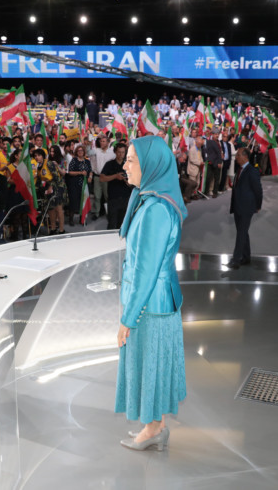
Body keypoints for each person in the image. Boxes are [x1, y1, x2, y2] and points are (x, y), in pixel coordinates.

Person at [115, 136, 187, 452]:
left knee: (151, 364)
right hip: (154, 303)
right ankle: (154, 425)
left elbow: (146, 270)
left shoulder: (156, 209)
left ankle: (153, 429)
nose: (124, 165)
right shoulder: (148, 200)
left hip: (150, 305)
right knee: (152, 365)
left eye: (131, 159)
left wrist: (127, 319)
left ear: (151, 165)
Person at [227, 147, 263, 269]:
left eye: (238, 155)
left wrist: (258, 205)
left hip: (247, 207)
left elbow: (258, 190)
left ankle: (236, 259)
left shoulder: (252, 171)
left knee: (241, 233)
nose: (236, 158)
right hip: (238, 206)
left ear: (245, 157)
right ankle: (246, 257)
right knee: (242, 232)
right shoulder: (240, 169)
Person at [100, 143, 131, 229]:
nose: (121, 154)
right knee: (112, 223)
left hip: (126, 197)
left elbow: (134, 182)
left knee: (123, 224)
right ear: (115, 152)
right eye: (119, 152)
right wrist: (115, 176)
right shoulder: (109, 164)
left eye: (123, 152)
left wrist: (128, 182)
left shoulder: (129, 165)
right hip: (113, 198)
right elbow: (102, 178)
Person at [90, 136, 115, 220]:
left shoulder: (112, 154)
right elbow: (89, 155)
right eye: (101, 141)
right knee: (97, 196)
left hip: (107, 178)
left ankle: (109, 213)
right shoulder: (96, 151)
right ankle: (96, 213)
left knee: (107, 196)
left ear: (108, 143)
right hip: (97, 177)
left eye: (104, 141)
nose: (102, 143)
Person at [67, 145, 92, 226]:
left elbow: (90, 171)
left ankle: (82, 219)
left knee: (83, 201)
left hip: (84, 185)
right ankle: (71, 219)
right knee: (74, 202)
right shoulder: (74, 160)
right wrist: (80, 173)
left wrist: (90, 177)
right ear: (76, 152)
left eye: (82, 150)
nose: (80, 152)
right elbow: (70, 172)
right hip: (74, 184)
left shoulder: (87, 161)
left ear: (84, 152)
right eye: (78, 150)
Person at [205, 127, 223, 197]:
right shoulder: (209, 141)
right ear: (212, 134)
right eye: (216, 134)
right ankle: (206, 192)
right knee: (208, 178)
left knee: (217, 178)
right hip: (210, 162)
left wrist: (219, 162)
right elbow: (207, 151)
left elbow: (219, 153)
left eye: (218, 134)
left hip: (217, 162)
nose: (217, 135)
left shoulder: (218, 142)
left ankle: (215, 192)